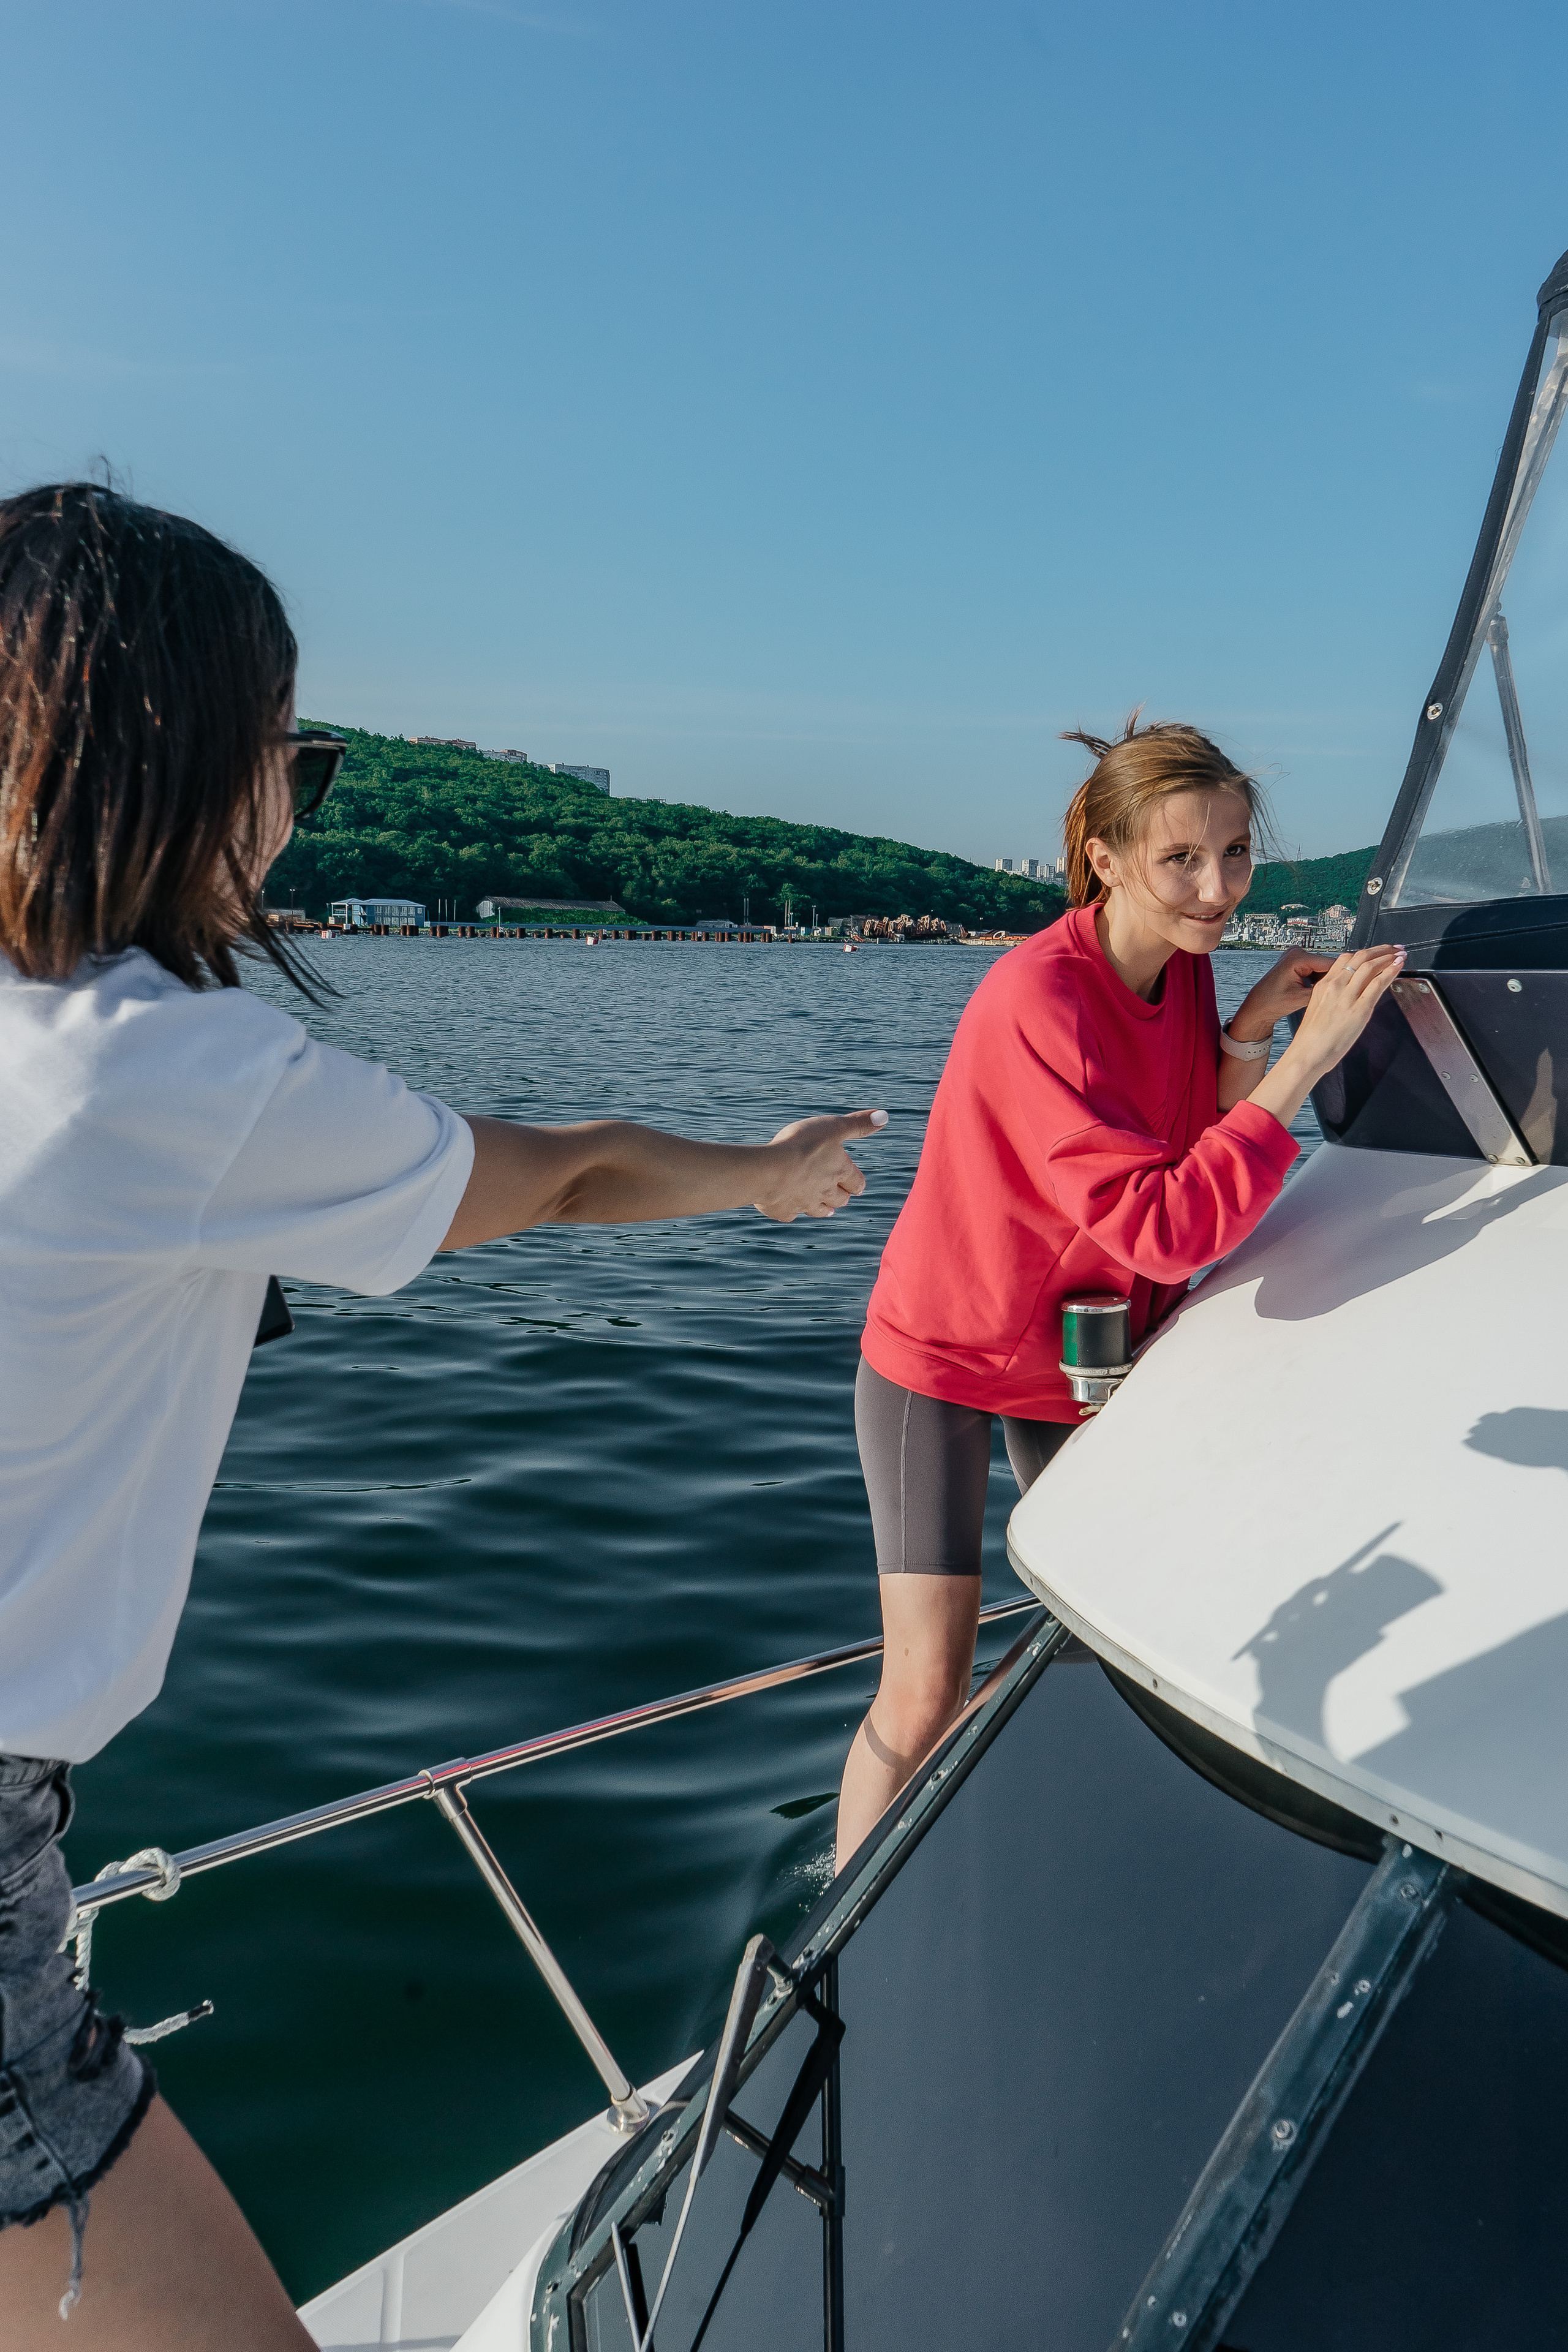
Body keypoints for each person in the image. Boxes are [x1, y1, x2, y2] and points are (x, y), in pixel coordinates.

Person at [0, 484, 885, 2348]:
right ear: (175, 762)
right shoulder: (157, 1068)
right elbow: (559, 1178)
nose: (294, 806)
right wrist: (770, 1175)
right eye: (293, 760)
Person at [834, 714, 1404, 1866]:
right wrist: (1302, 1063)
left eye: (1235, 854)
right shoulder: (1036, 997)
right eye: (1182, 859)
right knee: (925, 1681)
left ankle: (1009, 1841)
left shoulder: (1183, 976)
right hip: (940, 1356)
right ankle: (845, 1930)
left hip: (1079, 1358)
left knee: (1113, 1635)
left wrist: (1246, 1030)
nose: (1217, 890)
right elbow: (1158, 1226)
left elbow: (1177, 1132)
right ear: (1106, 857)